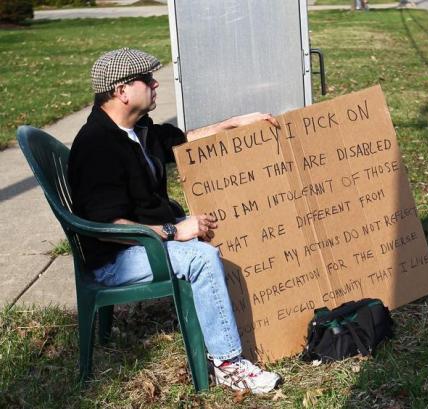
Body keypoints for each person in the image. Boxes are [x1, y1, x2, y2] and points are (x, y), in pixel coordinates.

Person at [68, 48, 281, 394]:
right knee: (201, 257)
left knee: (222, 225)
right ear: (122, 91)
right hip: (116, 257)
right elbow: (107, 227)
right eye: (147, 79)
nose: (155, 83)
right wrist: (173, 231)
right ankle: (228, 364)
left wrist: (232, 124)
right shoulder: (97, 147)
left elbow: (182, 142)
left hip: (143, 237)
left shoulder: (138, 128)